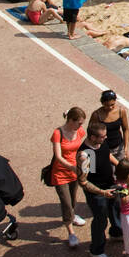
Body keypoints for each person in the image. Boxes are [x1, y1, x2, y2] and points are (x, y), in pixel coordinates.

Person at [77, 120, 121, 257]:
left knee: (115, 209)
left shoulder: (101, 143)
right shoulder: (85, 155)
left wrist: (121, 166)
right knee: (100, 220)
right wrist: (102, 193)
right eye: (102, 136)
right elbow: (83, 182)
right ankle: (96, 250)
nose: (105, 138)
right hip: (97, 192)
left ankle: (116, 233)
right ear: (93, 137)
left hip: (109, 184)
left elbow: (107, 155)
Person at [49, 106, 88, 247]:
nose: (80, 126)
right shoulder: (58, 133)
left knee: (72, 198)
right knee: (65, 202)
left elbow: (85, 143)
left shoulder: (79, 131)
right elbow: (58, 157)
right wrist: (72, 167)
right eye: (79, 123)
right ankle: (71, 232)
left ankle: (72, 215)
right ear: (71, 121)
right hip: (60, 173)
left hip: (74, 172)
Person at [89, 89, 129, 160]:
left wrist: (125, 148)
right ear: (102, 103)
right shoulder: (96, 115)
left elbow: (126, 129)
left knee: (122, 169)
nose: (110, 107)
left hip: (119, 148)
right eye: (107, 105)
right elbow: (90, 133)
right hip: (103, 149)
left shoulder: (121, 111)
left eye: (112, 104)